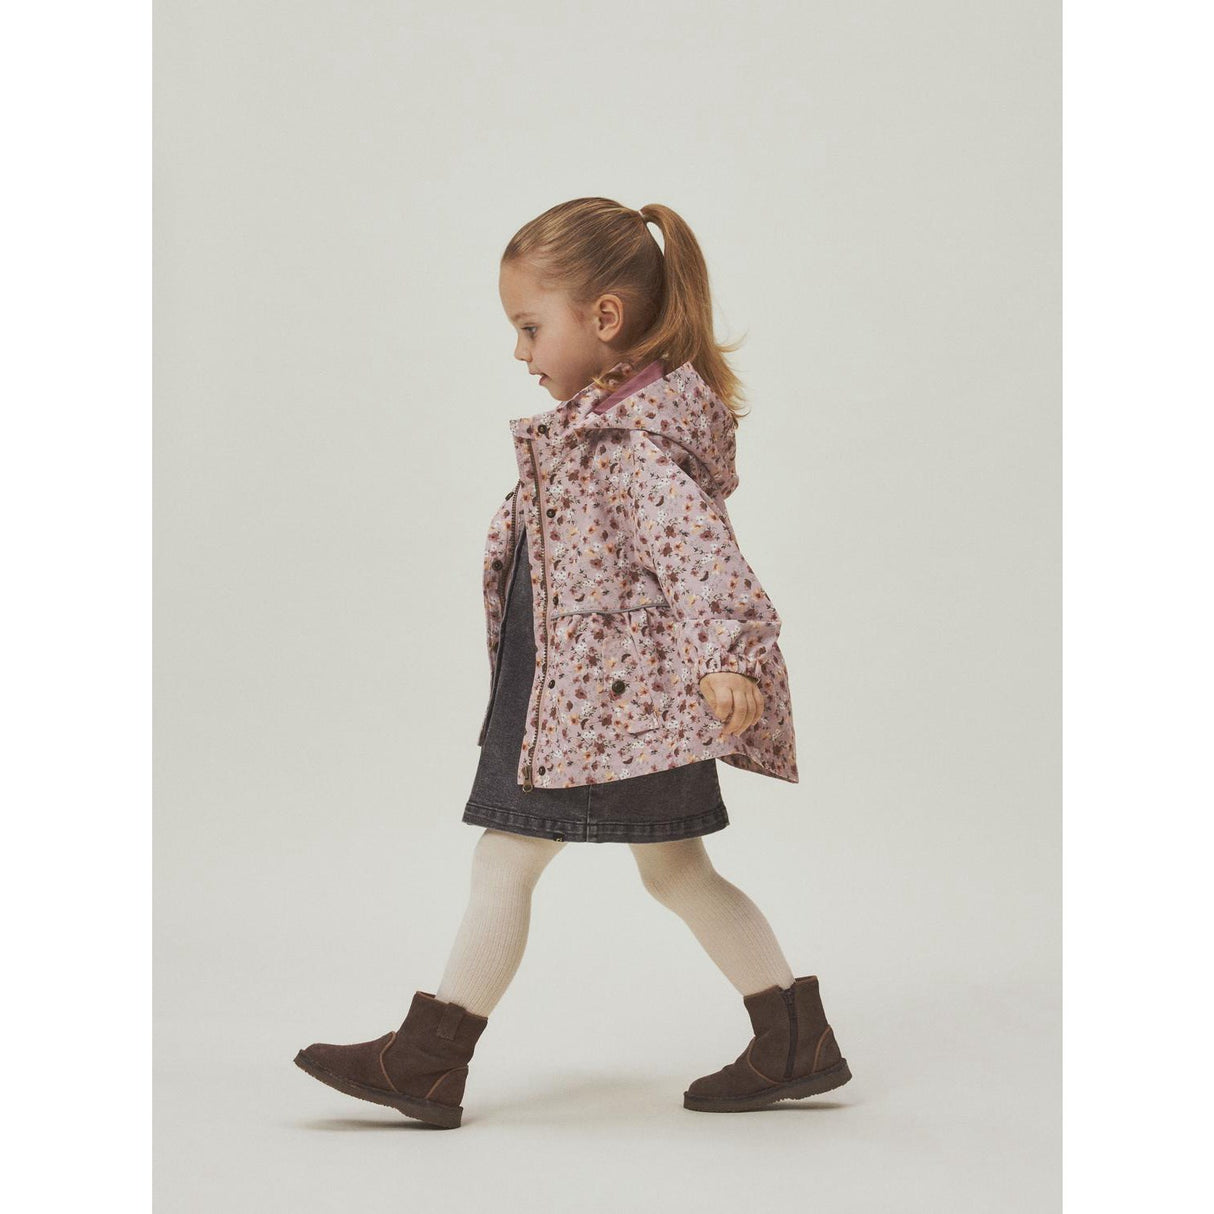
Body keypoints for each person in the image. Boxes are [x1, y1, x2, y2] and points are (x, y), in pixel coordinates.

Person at [294, 198, 852, 1128]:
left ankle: (429, 1061)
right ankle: (795, 1038)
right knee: (675, 872)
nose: (520, 353)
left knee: (507, 858)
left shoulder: (630, 444)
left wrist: (729, 656)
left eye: (530, 327)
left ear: (606, 317)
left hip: (601, 707)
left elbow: (701, 555)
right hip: (599, 702)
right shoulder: (596, 428)